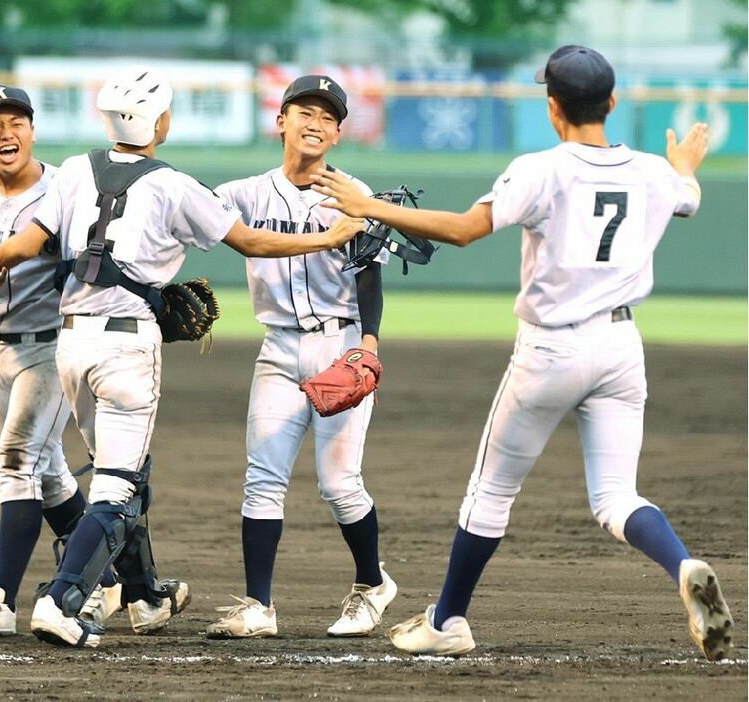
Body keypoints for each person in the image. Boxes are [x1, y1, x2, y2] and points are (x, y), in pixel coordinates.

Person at [311, 45, 735, 661]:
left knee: (490, 494)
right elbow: (688, 196)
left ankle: (448, 620)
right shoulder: (652, 173)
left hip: (553, 350)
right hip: (621, 346)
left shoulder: (542, 168)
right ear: (611, 103)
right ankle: (681, 563)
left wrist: (369, 206)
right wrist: (684, 165)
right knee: (617, 496)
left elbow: (463, 230)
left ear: (552, 106)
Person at [0, 65, 363, 648]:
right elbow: (252, 241)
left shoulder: (75, 170)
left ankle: (146, 593)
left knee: (113, 469)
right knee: (117, 486)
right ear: (159, 121)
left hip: (70, 346)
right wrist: (329, 238)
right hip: (128, 347)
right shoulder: (173, 184)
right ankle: (62, 600)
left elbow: (31, 242)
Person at [0, 84, 189, 640]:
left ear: (33, 131)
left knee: (18, 460)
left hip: (53, 347)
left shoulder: (67, 187)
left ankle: (0, 598)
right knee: (51, 474)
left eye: (18, 122)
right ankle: (140, 589)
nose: (8, 133)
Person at [205, 75, 397, 640]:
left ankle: (372, 584)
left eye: (328, 117)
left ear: (338, 134)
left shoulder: (353, 194)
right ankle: (258, 606)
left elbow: (371, 279)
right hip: (278, 348)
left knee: (339, 483)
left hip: (339, 346)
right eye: (304, 111)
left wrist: (369, 344)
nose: (315, 123)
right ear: (281, 121)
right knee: (262, 480)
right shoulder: (241, 193)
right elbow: (185, 217)